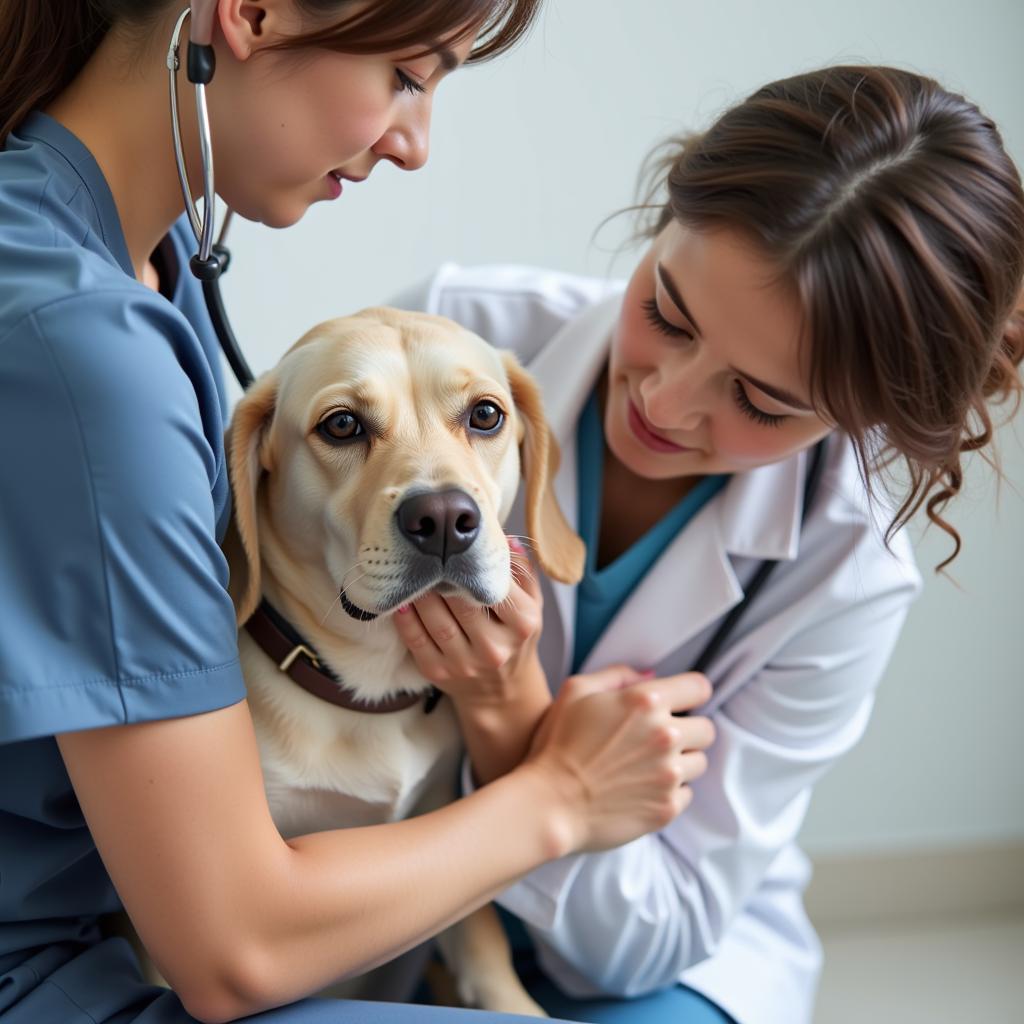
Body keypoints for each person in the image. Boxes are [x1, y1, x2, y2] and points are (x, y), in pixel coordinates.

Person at [0, 3, 721, 1023]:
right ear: (249, 13)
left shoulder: (145, 265)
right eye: (411, 77)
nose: (415, 147)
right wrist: (560, 794)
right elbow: (231, 950)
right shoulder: (84, 350)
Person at [391, 64, 1024, 1024]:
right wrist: (565, 772)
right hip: (392, 859)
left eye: (762, 402)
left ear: (865, 420)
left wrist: (504, 708)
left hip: (646, 957)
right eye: (667, 316)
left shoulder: (850, 574)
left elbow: (649, 941)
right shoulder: (459, 335)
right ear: (666, 210)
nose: (665, 402)